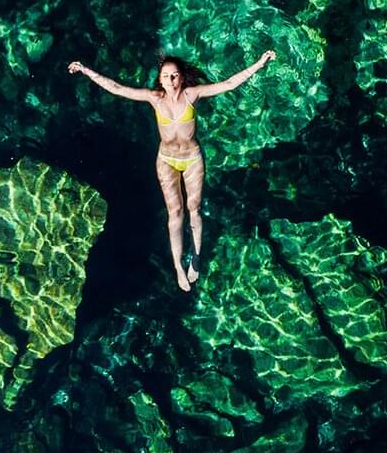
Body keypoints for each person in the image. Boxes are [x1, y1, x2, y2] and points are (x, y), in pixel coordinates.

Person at [68, 50, 277, 292]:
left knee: (194, 208)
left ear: (182, 77)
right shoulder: (155, 98)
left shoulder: (192, 94)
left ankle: (195, 256)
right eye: (166, 76)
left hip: (192, 159)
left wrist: (259, 63)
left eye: (175, 75)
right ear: (160, 79)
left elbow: (229, 84)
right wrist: (85, 70)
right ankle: (178, 266)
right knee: (175, 212)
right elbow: (117, 88)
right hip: (167, 160)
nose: (171, 80)